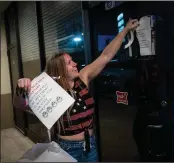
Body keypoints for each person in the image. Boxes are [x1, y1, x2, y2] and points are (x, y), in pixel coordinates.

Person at [14, 19, 139, 162]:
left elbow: (105, 56)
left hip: (90, 145)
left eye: (72, 60)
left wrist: (124, 31)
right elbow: (20, 105)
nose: (75, 64)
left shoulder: (82, 78)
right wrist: (21, 89)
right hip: (67, 148)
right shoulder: (49, 89)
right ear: (59, 69)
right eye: (69, 63)